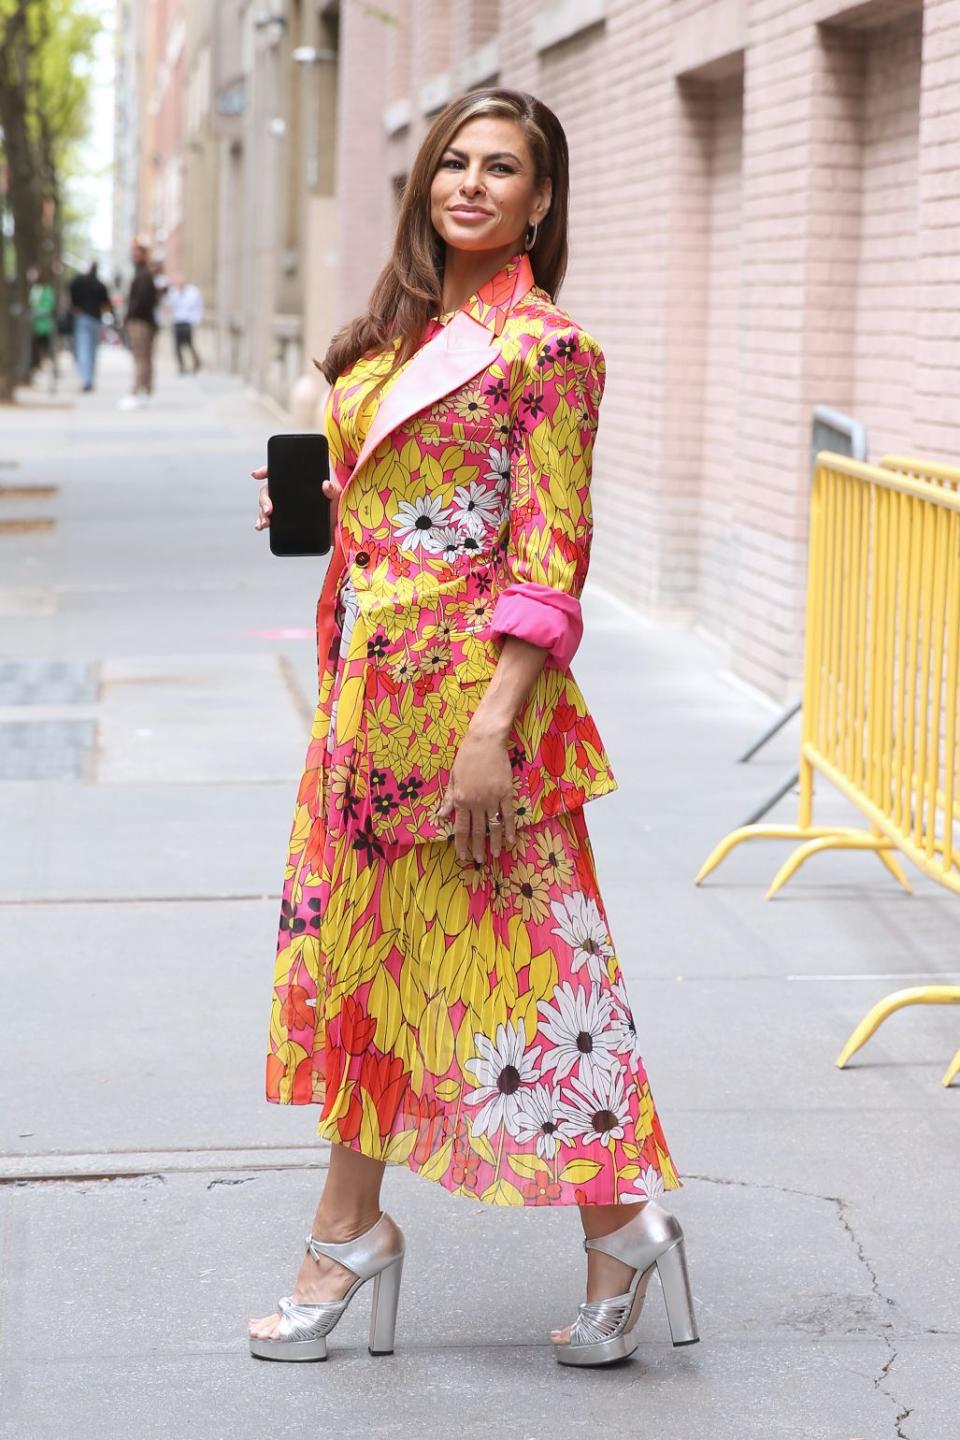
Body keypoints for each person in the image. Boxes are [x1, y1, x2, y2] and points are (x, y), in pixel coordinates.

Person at [248, 87, 699, 1369]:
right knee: (373, 975)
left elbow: (548, 562)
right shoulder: (397, 334)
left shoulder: (550, 349)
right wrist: (334, 509)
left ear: (540, 201)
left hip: (468, 723)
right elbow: (407, 502)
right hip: (363, 714)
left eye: (503, 168)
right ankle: (389, 1228)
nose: (471, 183)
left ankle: (547, 1230)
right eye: (454, 161)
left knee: (543, 978)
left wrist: (494, 731)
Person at [119, 242, 158, 409]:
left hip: (140, 322)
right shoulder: (144, 274)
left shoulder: (143, 275)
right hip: (144, 321)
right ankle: (146, 392)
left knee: (140, 358)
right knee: (145, 358)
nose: (134, 256)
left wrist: (128, 318)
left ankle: (136, 392)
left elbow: (140, 301)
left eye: (137, 253)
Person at [68, 261, 112, 392]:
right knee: (91, 350)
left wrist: (76, 305)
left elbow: (71, 288)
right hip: (94, 318)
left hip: (84, 317)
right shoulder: (99, 285)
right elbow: (106, 304)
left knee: (84, 349)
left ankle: (86, 379)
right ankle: (89, 378)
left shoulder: (80, 282)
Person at [164, 276, 203, 373]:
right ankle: (181, 366)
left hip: (188, 321)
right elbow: (168, 306)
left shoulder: (193, 292)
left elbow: (198, 306)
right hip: (177, 321)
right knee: (177, 345)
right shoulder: (173, 292)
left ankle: (197, 362)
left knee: (189, 344)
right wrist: (168, 319)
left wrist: (196, 320)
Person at [27, 268, 58, 387]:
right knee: (35, 351)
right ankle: (38, 370)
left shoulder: (47, 291)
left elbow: (49, 306)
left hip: (45, 326)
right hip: (34, 326)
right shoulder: (33, 290)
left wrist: (37, 312)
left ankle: (49, 372)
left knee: (47, 350)